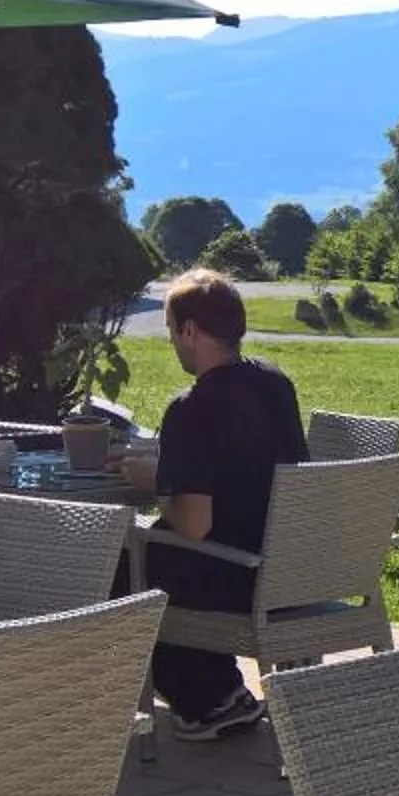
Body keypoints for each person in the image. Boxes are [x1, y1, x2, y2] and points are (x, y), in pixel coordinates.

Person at [141, 269, 305, 740]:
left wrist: (156, 483)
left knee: (121, 563)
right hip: (294, 565)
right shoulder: (275, 382)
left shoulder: (192, 408)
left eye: (171, 329)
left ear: (190, 330)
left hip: (240, 577)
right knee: (158, 555)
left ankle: (205, 701)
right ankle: (224, 692)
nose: (172, 341)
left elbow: (194, 524)